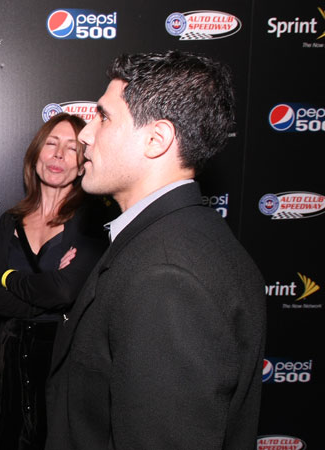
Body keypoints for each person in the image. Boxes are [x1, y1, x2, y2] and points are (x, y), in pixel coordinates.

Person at [45, 50, 266, 450]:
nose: (85, 134)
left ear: (156, 139)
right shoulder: (179, 236)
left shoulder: (166, 277)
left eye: (104, 117)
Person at [0, 113, 108, 450]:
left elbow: (65, 290)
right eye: (51, 144)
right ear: (36, 154)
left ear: (82, 165)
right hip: (10, 365)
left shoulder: (91, 221)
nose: (58, 155)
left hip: (63, 363)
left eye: (72, 148)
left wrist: (9, 277)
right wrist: (50, 294)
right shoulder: (10, 220)